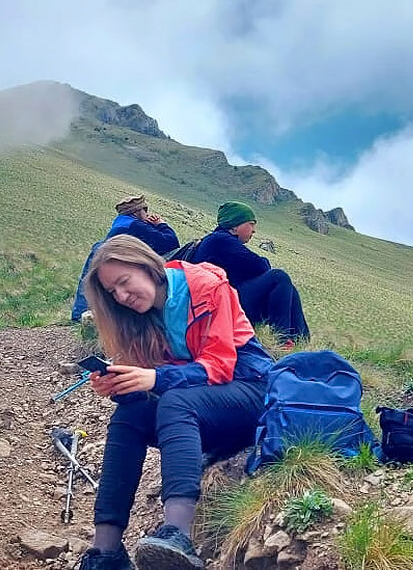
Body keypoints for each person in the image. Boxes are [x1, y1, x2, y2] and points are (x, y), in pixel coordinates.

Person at [76, 235, 273, 570]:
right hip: (204, 411)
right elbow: (154, 390)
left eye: (124, 282)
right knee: (131, 414)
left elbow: (220, 366)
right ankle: (105, 550)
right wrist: (121, 385)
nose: (122, 297)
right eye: (112, 293)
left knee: (176, 401)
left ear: (148, 266)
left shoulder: (207, 287)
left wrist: (155, 379)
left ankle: (178, 535)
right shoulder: (139, 318)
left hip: (254, 393)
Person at [191, 201, 310, 344]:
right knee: (279, 277)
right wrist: (264, 261)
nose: (254, 230)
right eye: (251, 224)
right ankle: (282, 340)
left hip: (219, 303)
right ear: (235, 226)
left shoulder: (218, 241)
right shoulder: (221, 240)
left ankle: (301, 341)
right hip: (216, 307)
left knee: (288, 287)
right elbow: (261, 266)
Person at [71, 195, 180, 321]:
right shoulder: (135, 225)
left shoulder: (119, 224)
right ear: (137, 212)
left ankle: (79, 315)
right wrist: (161, 224)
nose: (147, 214)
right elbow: (171, 242)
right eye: (145, 211)